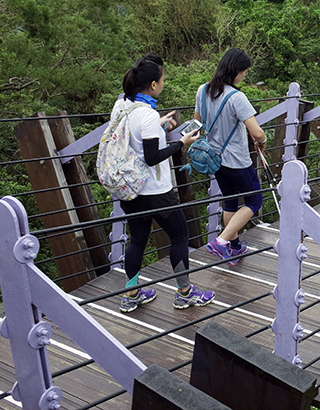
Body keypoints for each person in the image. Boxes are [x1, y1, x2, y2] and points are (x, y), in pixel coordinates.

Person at [111, 54, 214, 313]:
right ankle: (185, 293)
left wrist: (160, 125)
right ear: (154, 85)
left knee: (137, 240)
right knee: (180, 235)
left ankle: (132, 294)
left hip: (131, 190)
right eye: (163, 79)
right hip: (156, 191)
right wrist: (181, 142)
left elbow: (135, 135)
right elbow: (152, 156)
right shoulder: (146, 114)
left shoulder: (123, 105)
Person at [194, 49, 267, 266]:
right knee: (254, 200)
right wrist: (261, 141)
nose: (244, 76)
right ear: (236, 71)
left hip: (215, 159)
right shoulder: (237, 97)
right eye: (244, 72)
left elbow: (197, 123)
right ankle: (222, 241)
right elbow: (258, 133)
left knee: (230, 202)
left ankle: (234, 248)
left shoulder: (203, 90)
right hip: (237, 160)